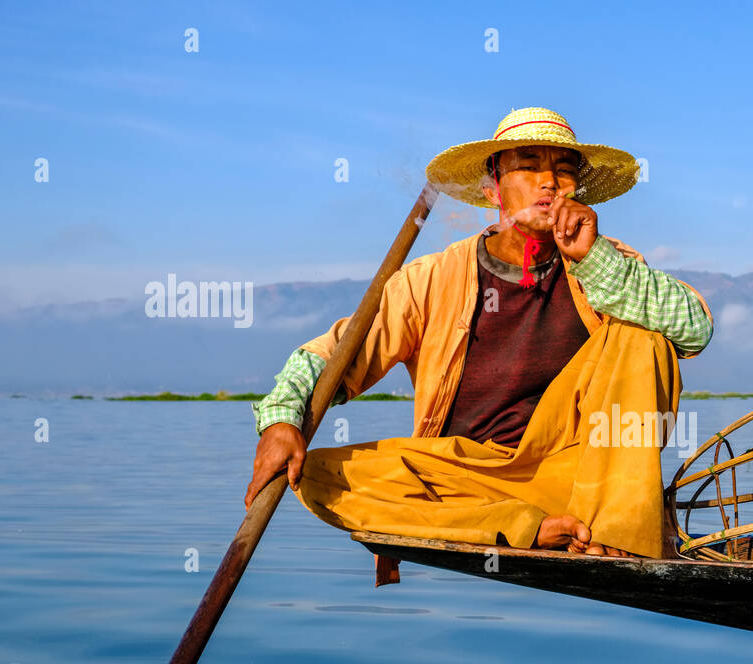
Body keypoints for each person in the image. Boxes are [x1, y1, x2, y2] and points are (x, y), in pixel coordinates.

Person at [244, 107, 713, 562]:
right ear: (493, 189)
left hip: (574, 477)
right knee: (319, 475)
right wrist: (282, 420)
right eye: (528, 167)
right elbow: (339, 352)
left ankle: (615, 533)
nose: (548, 182)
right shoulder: (433, 277)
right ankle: (522, 524)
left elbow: (694, 329)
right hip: (465, 482)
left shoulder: (604, 262)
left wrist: (592, 259)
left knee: (642, 337)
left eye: (563, 172)